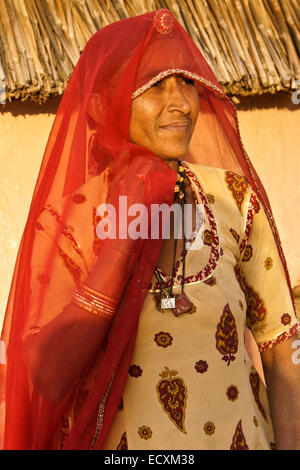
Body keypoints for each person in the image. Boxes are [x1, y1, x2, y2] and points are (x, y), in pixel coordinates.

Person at [1, 9, 300, 451]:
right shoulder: (70, 225)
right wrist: (125, 237)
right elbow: (46, 376)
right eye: (156, 85)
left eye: (187, 83)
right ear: (105, 104)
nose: (181, 103)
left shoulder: (234, 199)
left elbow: (282, 348)